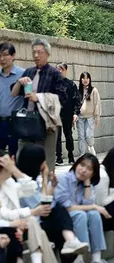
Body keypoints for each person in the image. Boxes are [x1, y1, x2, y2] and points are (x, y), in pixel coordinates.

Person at [0, 151, 74, 263]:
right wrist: (18, 221)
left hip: (18, 224)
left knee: (37, 224)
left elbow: (30, 189)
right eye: (8, 163)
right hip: (8, 226)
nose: (12, 164)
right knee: (36, 221)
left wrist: (14, 170)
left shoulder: (9, 183)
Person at [17, 144, 90, 263]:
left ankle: (69, 256)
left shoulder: (35, 179)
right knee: (60, 214)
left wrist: (51, 186)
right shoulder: (23, 184)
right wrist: (46, 181)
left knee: (60, 216)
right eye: (42, 160)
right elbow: (41, 206)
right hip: (30, 225)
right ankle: (70, 249)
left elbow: (47, 205)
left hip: (41, 219)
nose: (45, 163)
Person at [11, 39, 67, 172]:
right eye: (34, 52)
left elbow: (63, 98)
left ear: (47, 54)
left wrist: (39, 97)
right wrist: (19, 82)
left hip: (47, 124)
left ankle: (46, 189)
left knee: (47, 163)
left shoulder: (55, 74)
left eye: (39, 52)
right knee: (23, 159)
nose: (36, 55)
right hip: (27, 122)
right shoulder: (28, 72)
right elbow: (14, 92)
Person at [54, 154, 114, 263]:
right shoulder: (63, 178)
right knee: (82, 214)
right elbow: (67, 207)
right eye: (82, 165)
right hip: (60, 217)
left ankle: (96, 260)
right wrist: (93, 206)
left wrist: (87, 183)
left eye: (89, 169)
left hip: (76, 214)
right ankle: (78, 261)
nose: (83, 170)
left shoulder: (86, 183)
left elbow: (88, 203)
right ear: (76, 164)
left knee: (94, 214)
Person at [0, 42, 25, 157]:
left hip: (15, 122)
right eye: (0, 56)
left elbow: (30, 94)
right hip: (0, 122)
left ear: (13, 55)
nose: (2, 59)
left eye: (5, 55)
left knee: (13, 156)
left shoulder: (23, 74)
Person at [55, 63, 81, 165]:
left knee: (68, 134)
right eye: (58, 69)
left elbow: (76, 100)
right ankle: (59, 158)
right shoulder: (53, 84)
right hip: (56, 114)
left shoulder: (71, 84)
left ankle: (70, 155)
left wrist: (75, 113)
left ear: (66, 70)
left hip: (67, 113)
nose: (60, 71)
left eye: (62, 69)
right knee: (57, 136)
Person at [77, 72, 101, 156]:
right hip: (80, 116)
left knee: (88, 135)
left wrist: (97, 116)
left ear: (90, 79)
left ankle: (91, 146)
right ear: (80, 80)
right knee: (81, 136)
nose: (85, 80)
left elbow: (97, 103)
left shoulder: (94, 90)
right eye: (83, 78)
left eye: (87, 78)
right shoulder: (78, 90)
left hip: (90, 116)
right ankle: (82, 154)